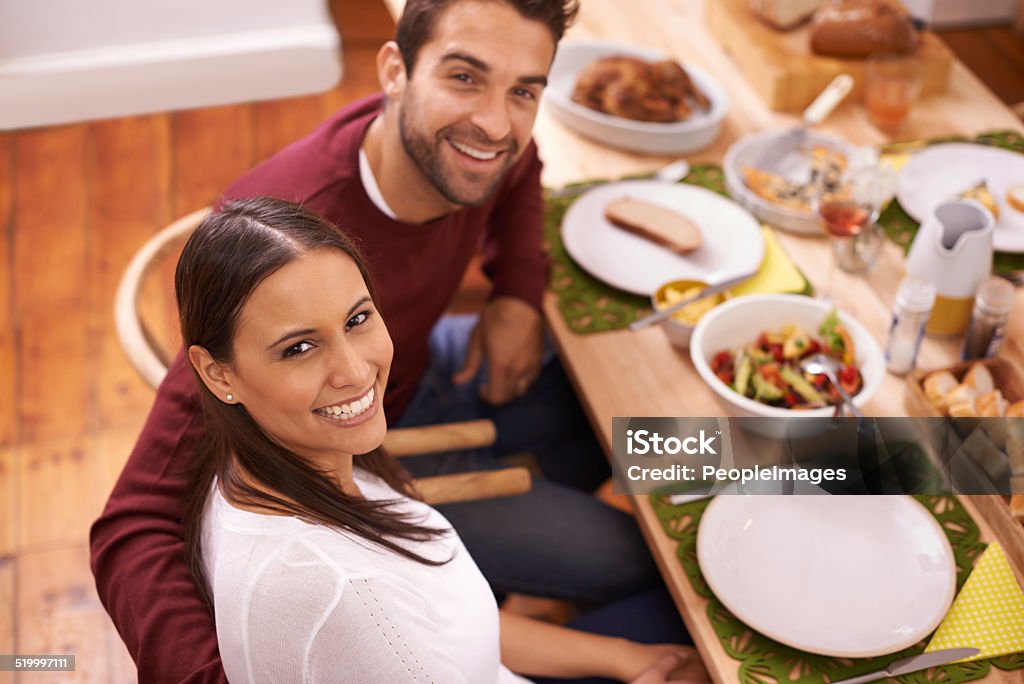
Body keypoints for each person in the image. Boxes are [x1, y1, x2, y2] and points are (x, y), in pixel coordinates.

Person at [91, 0, 662, 680]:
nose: (494, 123)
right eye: (464, 78)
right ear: (395, 70)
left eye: (523, 91)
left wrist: (516, 293)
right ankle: (501, 611)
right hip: (354, 444)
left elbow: (520, 162)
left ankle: (803, 464)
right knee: (645, 554)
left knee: (639, 410)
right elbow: (133, 528)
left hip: (416, 373)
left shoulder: (475, 145)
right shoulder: (298, 238)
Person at [177, 196, 706, 683]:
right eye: (298, 348)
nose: (355, 370)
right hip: (427, 470)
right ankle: (779, 459)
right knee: (673, 569)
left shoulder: (263, 456)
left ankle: (779, 457)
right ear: (218, 374)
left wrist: (625, 657)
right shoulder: (351, 599)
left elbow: (454, 628)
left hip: (431, 430)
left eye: (358, 319)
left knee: (617, 419)